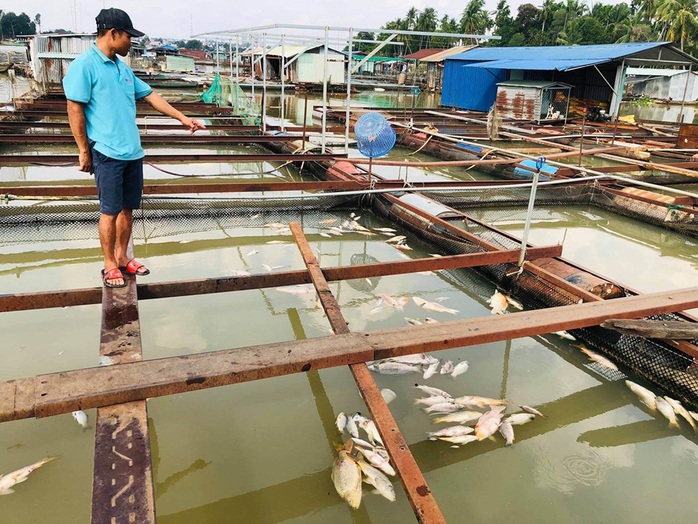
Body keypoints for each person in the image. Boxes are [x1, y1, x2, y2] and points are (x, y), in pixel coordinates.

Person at [63, 7, 206, 288]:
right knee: (109, 210)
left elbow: (151, 96)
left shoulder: (122, 67)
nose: (132, 42)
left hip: (132, 152)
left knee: (128, 208)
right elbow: (74, 108)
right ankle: (108, 265)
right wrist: (83, 150)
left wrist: (183, 118)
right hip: (106, 152)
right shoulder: (84, 65)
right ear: (114, 34)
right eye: (129, 37)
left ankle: (122, 257)